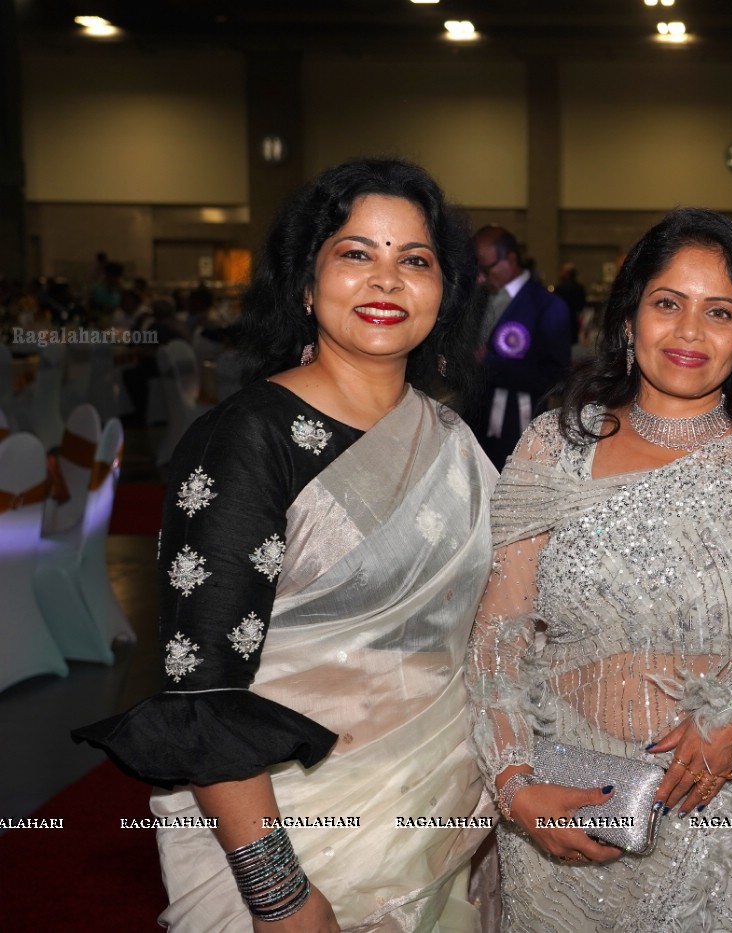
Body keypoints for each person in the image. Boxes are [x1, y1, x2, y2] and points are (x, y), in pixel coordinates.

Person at [74, 158, 497, 932]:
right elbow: (203, 695)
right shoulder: (247, 440)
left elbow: (493, 636)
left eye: (415, 260)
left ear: (445, 293)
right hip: (293, 843)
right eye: (355, 253)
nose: (386, 280)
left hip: (438, 823)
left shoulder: (454, 443)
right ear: (307, 282)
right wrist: (280, 895)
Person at [469, 207, 732, 931]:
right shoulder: (553, 448)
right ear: (628, 317)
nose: (689, 332)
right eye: (667, 304)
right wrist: (513, 783)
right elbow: (498, 634)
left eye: (718, 311)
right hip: (565, 822)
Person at [472, 225, 572, 469]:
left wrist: (492, 363)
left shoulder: (547, 305)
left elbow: (557, 376)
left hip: (520, 425)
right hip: (476, 421)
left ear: (511, 259)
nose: (481, 276)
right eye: (478, 269)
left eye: (487, 267)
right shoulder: (481, 299)